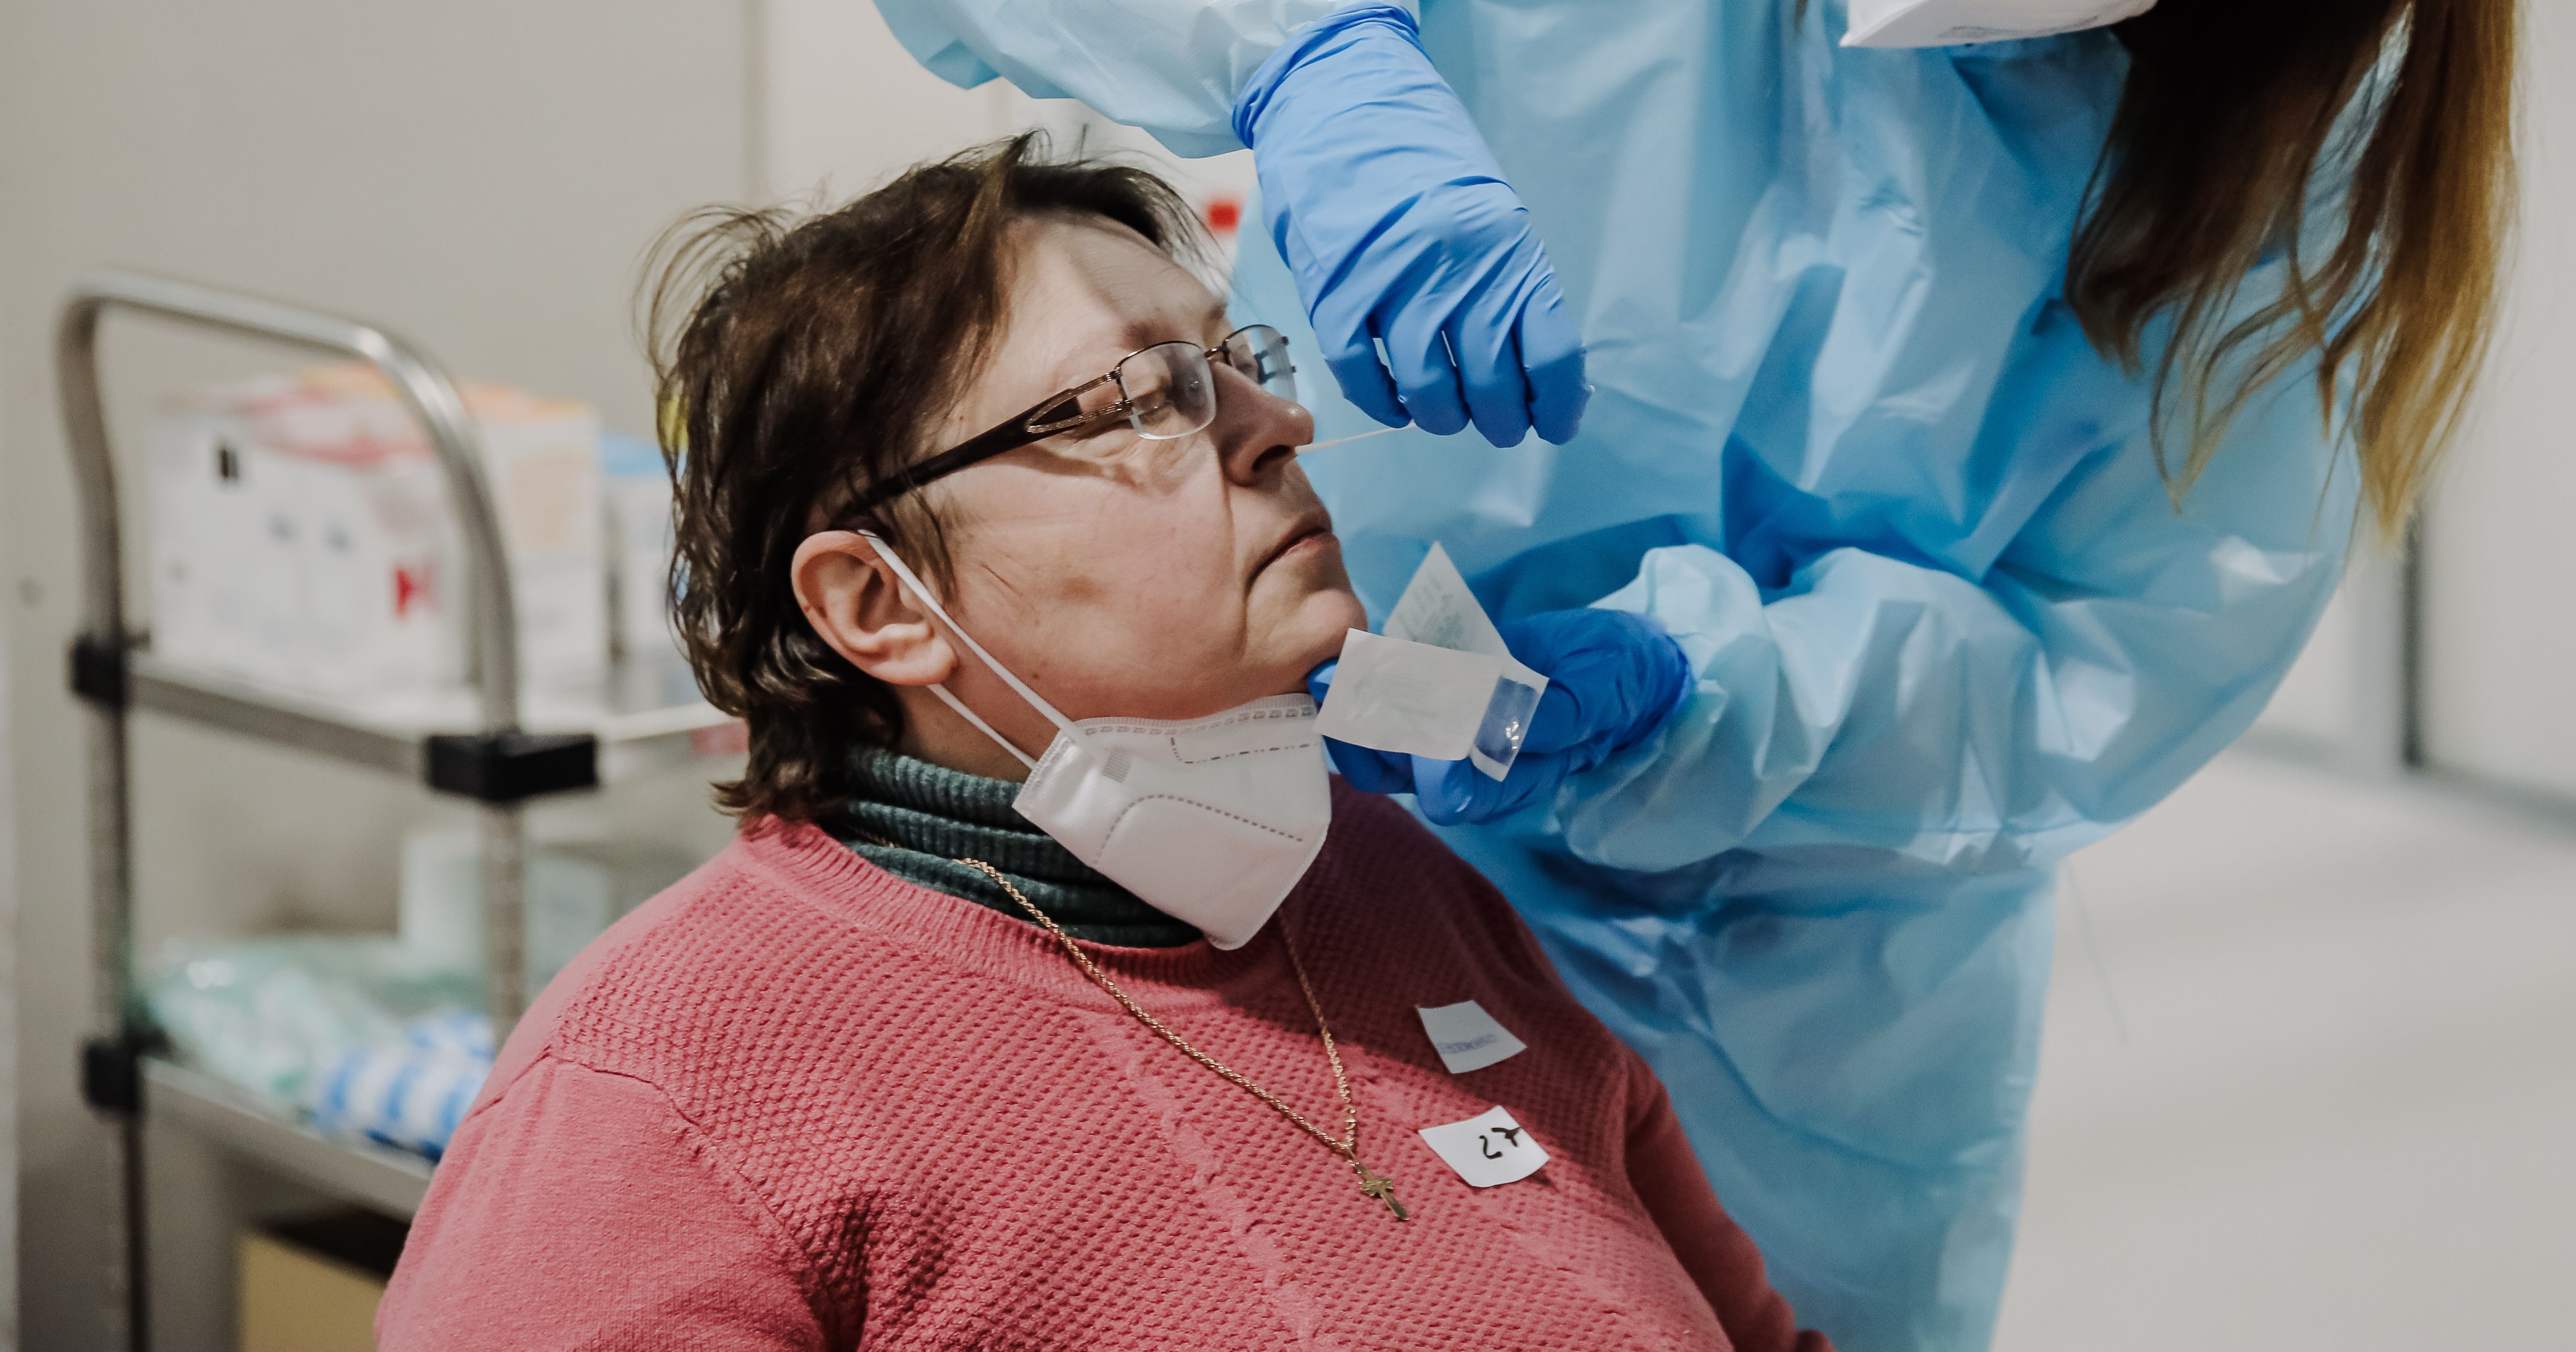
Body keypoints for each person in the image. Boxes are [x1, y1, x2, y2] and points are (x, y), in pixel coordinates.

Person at [797, 0, 2540, 1350]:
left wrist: (1720, 701)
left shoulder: (2288, 152)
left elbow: (2109, 668)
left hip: (1816, 1014)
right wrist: (1305, 31)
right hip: (1320, 840)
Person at [377, 141, 1824, 1352]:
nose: (1279, 424)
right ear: (882, 602)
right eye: (1143, 399)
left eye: (1237, 364)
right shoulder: (669, 1090)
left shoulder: (1406, 888)